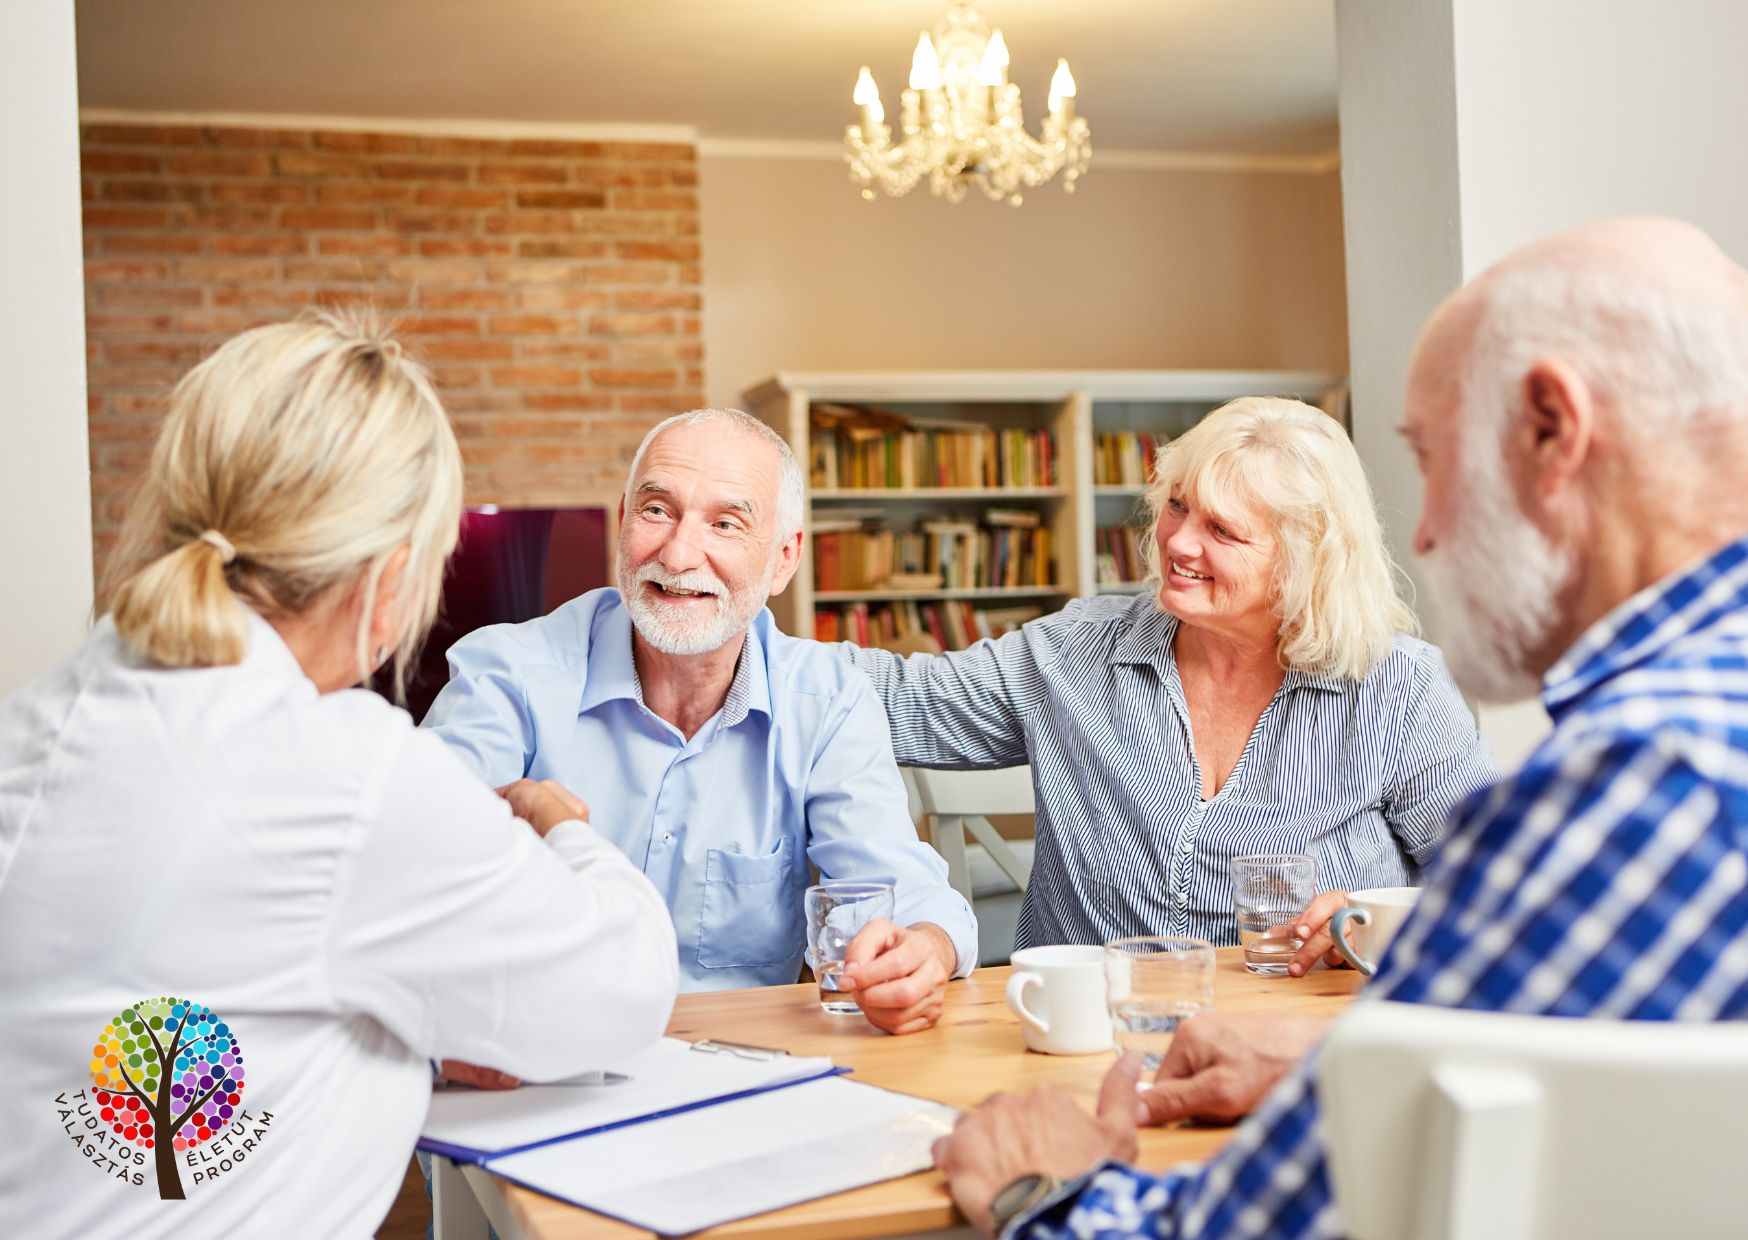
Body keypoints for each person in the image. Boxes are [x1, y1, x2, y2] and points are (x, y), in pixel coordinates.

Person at [930, 217, 1748, 1239]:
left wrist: (1041, 1190)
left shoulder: (1635, 786)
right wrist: (1327, 1062)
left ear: (1550, 428)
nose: (1425, 528)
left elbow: (1239, 1230)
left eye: (1431, 458)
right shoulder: (1699, 730)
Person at [0, 314, 677, 1238]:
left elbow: (226, 999)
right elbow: (625, 991)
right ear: (390, 579)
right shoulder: (346, 774)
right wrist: (563, 824)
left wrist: (412, 1034)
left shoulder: (42, 715)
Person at [844, 397, 1494, 971]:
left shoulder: (1401, 692)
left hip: (1300, 1046)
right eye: (1177, 506)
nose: (1178, 542)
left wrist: (1381, 918)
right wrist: (743, 622)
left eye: (1222, 530)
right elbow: (893, 697)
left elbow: (1494, 885)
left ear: (1303, 563)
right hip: (1089, 1041)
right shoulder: (1074, 654)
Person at [422, 408, 977, 1034]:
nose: (680, 553)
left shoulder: (827, 702)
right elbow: (414, 878)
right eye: (657, 511)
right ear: (625, 517)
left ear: (783, 559)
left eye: (725, 523)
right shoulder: (507, 673)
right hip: (530, 1054)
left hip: (734, 1069)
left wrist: (925, 949)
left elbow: (898, 886)